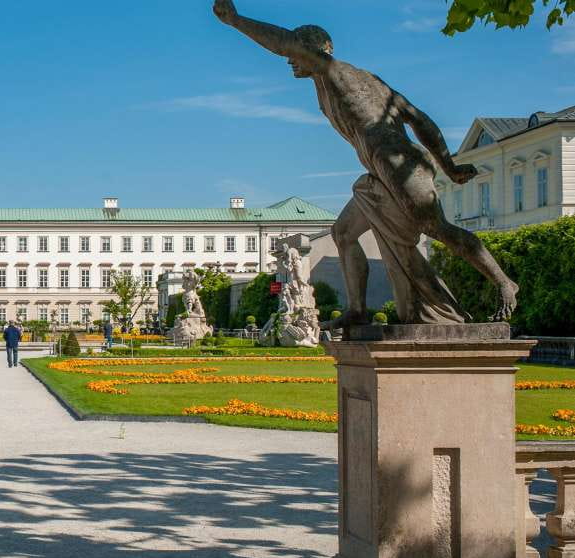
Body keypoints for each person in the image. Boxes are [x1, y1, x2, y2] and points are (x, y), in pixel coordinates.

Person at [213, 0, 517, 325]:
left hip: (398, 162)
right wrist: (448, 166)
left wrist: (235, 20)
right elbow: (418, 118)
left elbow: (418, 119)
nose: (289, 59)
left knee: (435, 228)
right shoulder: (342, 82)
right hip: (379, 168)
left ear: (317, 51)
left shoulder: (337, 71)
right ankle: (357, 311)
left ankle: (504, 282)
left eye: (296, 52)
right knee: (342, 233)